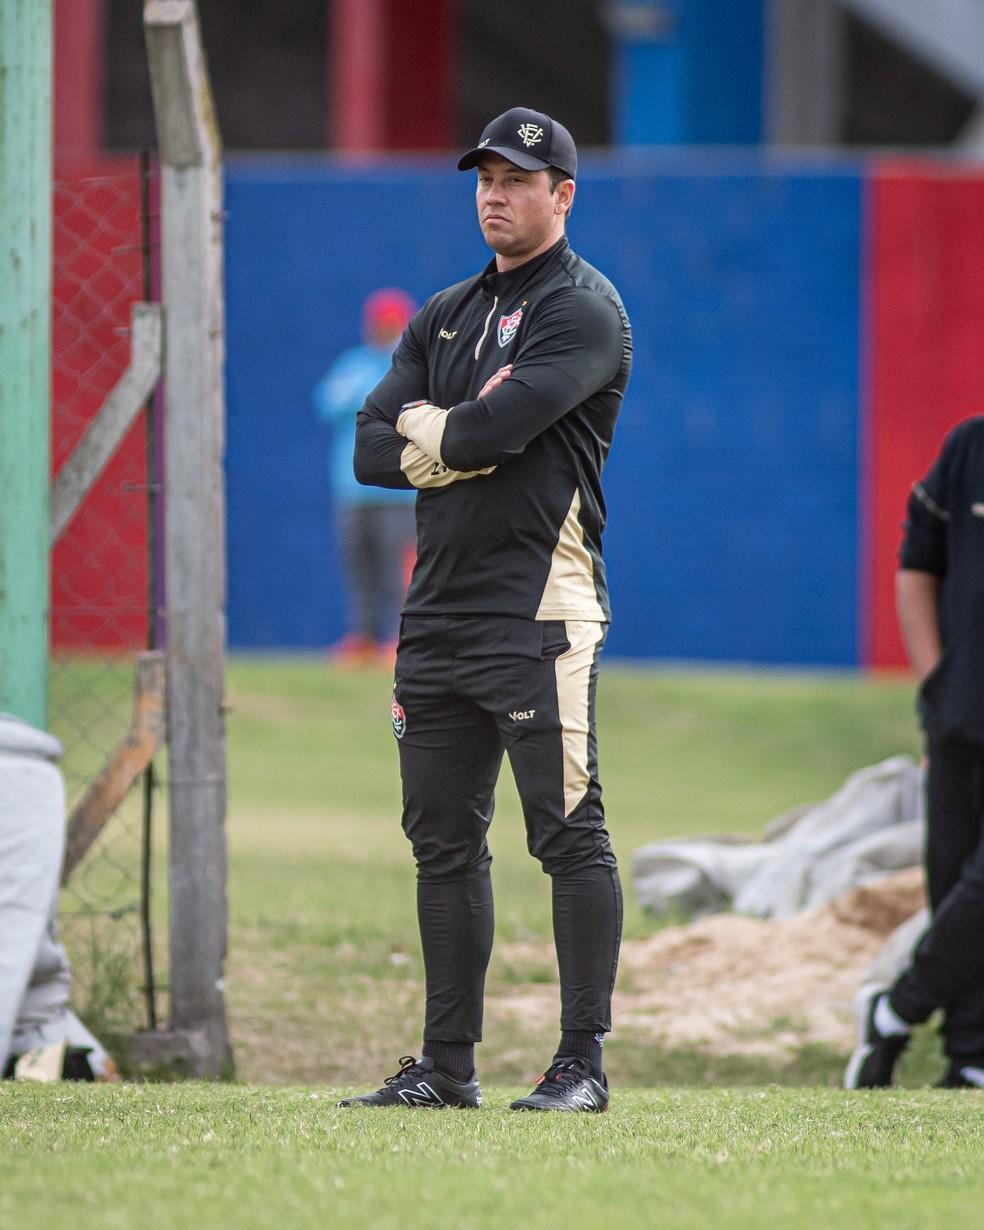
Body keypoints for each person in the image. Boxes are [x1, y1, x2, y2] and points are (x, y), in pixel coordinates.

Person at [339, 107, 632, 1112]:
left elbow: (492, 429)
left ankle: (580, 1066)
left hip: (538, 614)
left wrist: (451, 429)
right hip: (437, 620)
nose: (496, 194)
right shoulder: (445, 312)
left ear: (563, 195)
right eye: (485, 178)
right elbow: (370, 448)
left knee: (568, 834)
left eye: (518, 178)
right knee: (442, 843)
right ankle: (446, 1067)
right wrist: (453, 429)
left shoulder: (584, 311)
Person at [845, 416, 984, 1089]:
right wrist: (936, 688)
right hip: (961, 716)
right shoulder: (969, 447)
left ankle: (896, 1009)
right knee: (954, 880)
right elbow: (917, 567)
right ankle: (970, 1059)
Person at [314, 289, 418, 666]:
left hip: (399, 492)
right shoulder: (354, 364)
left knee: (399, 573)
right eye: (379, 322)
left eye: (392, 323)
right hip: (353, 491)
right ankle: (363, 637)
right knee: (360, 568)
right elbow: (327, 402)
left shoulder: (415, 366)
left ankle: (398, 640)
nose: (384, 330)